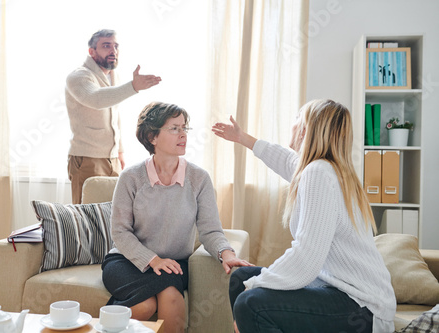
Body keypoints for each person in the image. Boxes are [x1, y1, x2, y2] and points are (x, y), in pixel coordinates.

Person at [212, 99, 396, 333]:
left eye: (298, 117)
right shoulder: (321, 168)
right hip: (335, 288)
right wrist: (242, 137)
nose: (293, 123)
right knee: (241, 278)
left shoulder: (319, 173)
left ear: (306, 129)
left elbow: (306, 259)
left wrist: (257, 284)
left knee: (250, 303)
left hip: (362, 307)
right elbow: (282, 159)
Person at [101, 102, 253, 333]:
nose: (183, 134)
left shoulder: (199, 178)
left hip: (175, 264)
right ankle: (98, 325)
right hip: (128, 261)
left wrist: (227, 253)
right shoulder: (130, 178)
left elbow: (210, 230)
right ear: (152, 137)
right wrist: (153, 260)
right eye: (174, 128)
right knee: (144, 306)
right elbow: (120, 232)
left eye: (185, 128)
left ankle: (107, 320)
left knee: (169, 294)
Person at [66, 29, 161, 204]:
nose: (113, 51)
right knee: (85, 218)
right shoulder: (78, 76)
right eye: (106, 46)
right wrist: (133, 86)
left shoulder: (112, 76)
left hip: (113, 159)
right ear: (91, 51)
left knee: (113, 215)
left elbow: (114, 116)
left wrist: (120, 150)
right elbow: (96, 99)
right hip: (87, 158)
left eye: (116, 46)